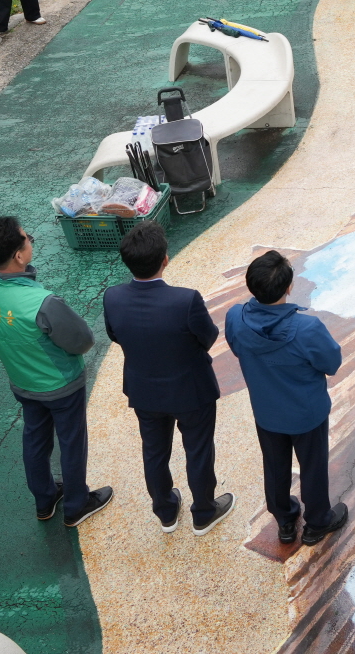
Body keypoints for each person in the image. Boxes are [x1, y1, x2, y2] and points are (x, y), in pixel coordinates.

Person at [0, 216, 112, 526]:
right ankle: (76, 504)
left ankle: (45, 499)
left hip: (22, 382)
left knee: (35, 438)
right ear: (19, 256)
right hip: (61, 384)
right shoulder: (42, 302)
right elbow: (83, 341)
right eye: (27, 238)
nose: (31, 241)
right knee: (72, 442)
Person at [102, 222, 234, 535]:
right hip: (191, 388)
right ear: (165, 258)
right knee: (198, 450)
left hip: (144, 389)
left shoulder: (112, 297)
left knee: (154, 451)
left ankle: (165, 511)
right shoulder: (186, 300)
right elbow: (209, 336)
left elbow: (115, 335)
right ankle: (203, 511)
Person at [225, 250, 349, 547]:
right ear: (289, 287)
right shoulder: (307, 328)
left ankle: (284, 521)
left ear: (251, 285)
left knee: (275, 465)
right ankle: (318, 522)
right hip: (307, 413)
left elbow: (236, 347)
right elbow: (331, 363)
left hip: (266, 411)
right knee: (313, 466)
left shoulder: (235, 317)